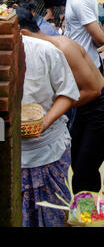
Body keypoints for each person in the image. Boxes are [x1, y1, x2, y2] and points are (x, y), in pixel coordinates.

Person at [39, 0, 104, 193]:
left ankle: (95, 202)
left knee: (89, 157)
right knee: (85, 148)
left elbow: (97, 37)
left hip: (89, 77)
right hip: (86, 73)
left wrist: (78, 49)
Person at [19, 11, 80, 227]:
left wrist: (44, 123)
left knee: (55, 216)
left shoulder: (44, 50)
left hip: (48, 150)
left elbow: (69, 93)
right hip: (11, 155)